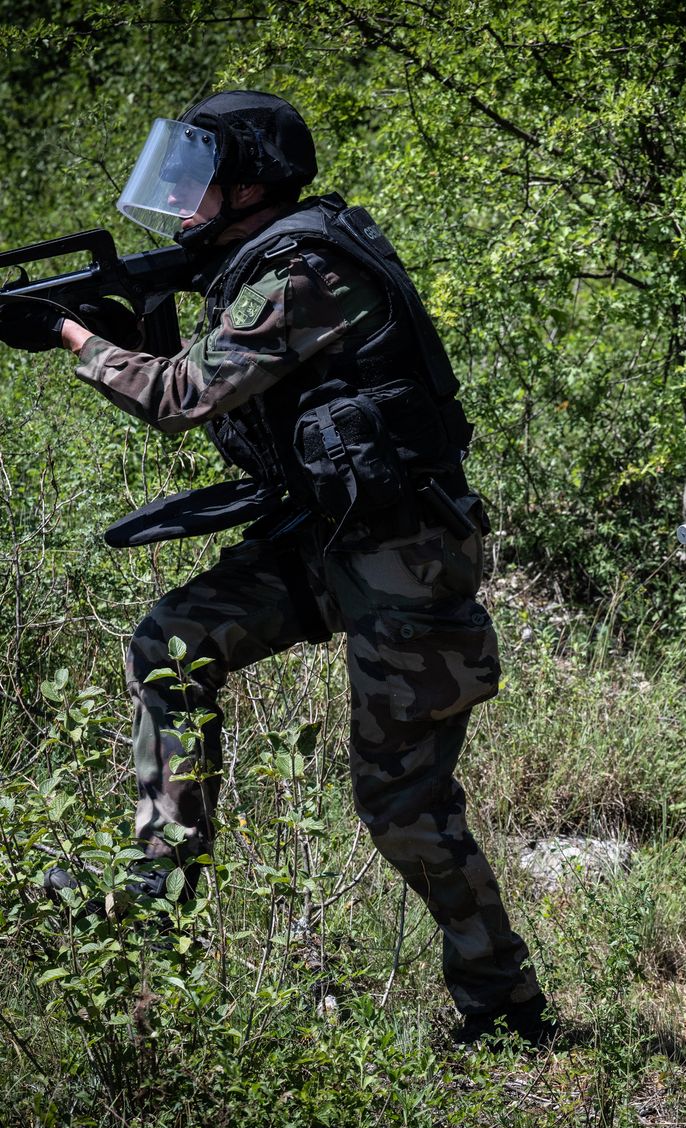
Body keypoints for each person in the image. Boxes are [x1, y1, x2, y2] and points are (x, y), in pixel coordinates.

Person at [0, 90, 552, 1046]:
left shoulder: (309, 271)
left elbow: (180, 396)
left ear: (250, 183)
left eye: (197, 178)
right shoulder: (253, 262)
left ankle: (503, 1007)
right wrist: (121, 318)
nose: (179, 201)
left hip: (407, 558)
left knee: (402, 806)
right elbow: (206, 376)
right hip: (329, 539)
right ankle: (158, 906)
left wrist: (70, 335)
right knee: (172, 640)